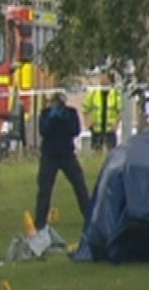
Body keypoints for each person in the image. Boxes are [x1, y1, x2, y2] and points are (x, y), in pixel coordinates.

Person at [34, 92, 92, 229]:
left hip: (67, 154)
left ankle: (89, 216)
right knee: (45, 189)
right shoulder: (45, 114)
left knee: (80, 185)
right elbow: (43, 131)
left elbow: (75, 131)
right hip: (50, 154)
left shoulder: (71, 113)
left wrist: (64, 119)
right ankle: (40, 221)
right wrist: (51, 119)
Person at [82, 81, 122, 151]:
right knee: (96, 151)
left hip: (110, 129)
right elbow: (85, 108)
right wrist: (87, 122)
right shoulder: (94, 92)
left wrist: (116, 123)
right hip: (96, 129)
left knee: (111, 151)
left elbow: (120, 110)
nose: (104, 78)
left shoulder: (115, 93)